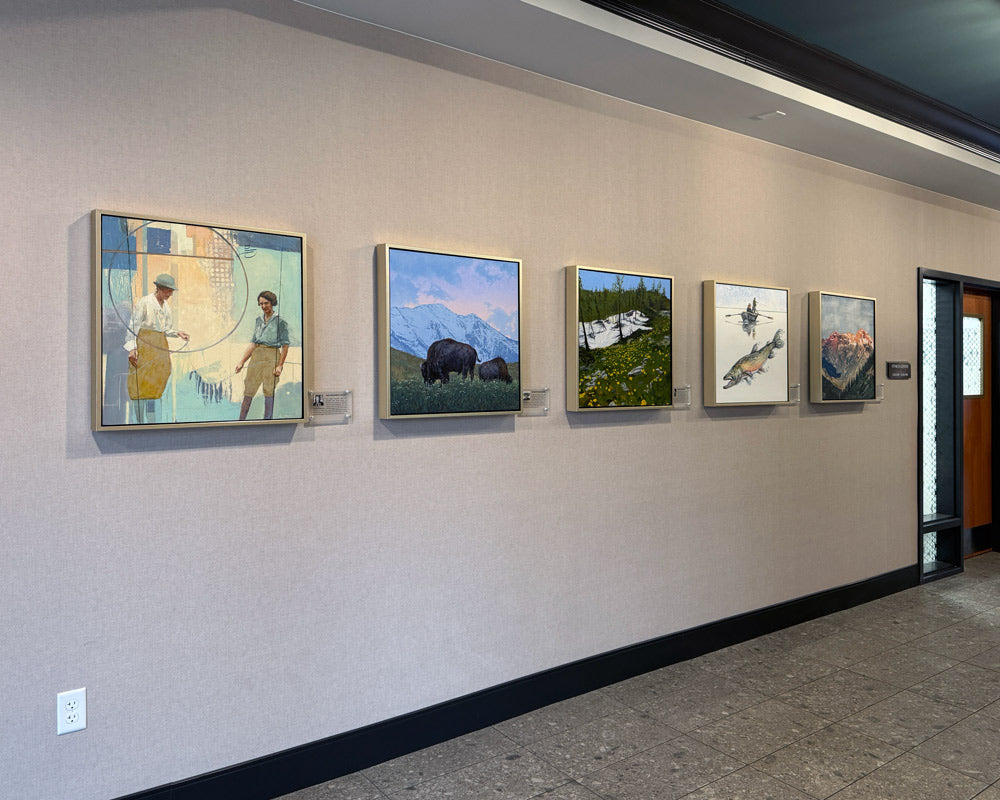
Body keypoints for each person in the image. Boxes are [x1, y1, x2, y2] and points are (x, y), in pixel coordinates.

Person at [124, 273, 189, 423]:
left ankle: (152, 419)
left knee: (162, 374)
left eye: (171, 291)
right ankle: (139, 420)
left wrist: (177, 333)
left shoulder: (166, 306)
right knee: (140, 381)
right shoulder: (145, 302)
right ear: (159, 289)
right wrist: (132, 348)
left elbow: (165, 329)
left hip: (160, 345)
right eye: (167, 291)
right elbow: (133, 326)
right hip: (145, 344)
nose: (170, 294)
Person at [235, 291, 290, 420]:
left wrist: (280, 365)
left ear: (272, 303)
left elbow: (285, 346)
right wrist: (241, 362)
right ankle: (240, 421)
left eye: (266, 303)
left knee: (269, 390)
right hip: (257, 356)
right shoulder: (258, 321)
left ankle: (267, 421)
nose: (263, 306)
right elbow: (253, 343)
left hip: (272, 357)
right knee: (249, 388)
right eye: (261, 304)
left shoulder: (280, 322)